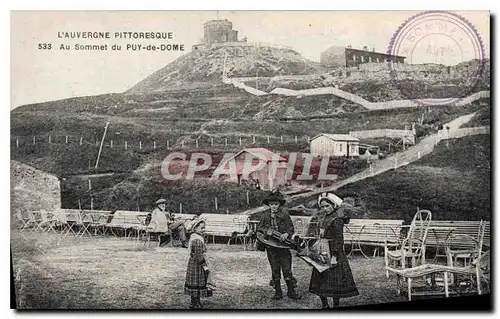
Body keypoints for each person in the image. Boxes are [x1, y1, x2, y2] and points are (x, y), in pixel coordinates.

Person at [309, 192, 359, 308]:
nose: (325, 209)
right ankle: (325, 305)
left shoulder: (337, 219)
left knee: (335, 280)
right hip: (322, 250)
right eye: (323, 207)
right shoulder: (323, 218)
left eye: (327, 206)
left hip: (333, 252)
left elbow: (339, 239)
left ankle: (336, 305)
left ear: (333, 205)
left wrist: (335, 256)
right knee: (320, 278)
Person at [257, 190, 301, 300]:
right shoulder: (265, 216)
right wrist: (268, 232)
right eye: (271, 204)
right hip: (271, 247)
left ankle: (291, 291)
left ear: (279, 204)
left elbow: (290, 227)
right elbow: (259, 229)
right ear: (269, 205)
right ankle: (278, 292)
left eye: (276, 204)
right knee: (275, 269)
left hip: (283, 247)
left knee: (287, 269)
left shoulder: (284, 214)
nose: (274, 206)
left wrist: (286, 234)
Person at [184, 218, 214, 309]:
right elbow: (198, 255)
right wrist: (205, 266)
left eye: (204, 228)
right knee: (196, 282)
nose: (203, 230)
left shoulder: (195, 237)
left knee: (195, 282)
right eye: (201, 228)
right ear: (195, 228)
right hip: (197, 265)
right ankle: (195, 302)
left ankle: (195, 301)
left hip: (194, 263)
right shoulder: (197, 240)